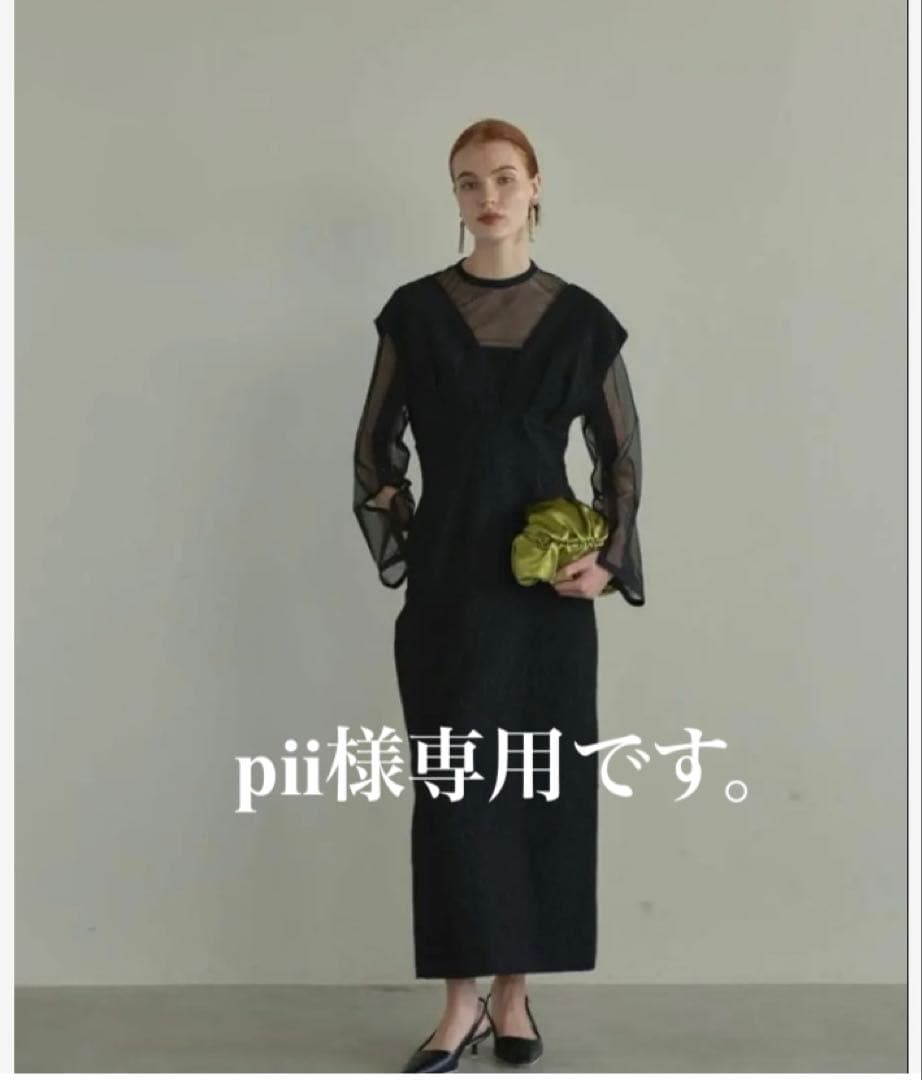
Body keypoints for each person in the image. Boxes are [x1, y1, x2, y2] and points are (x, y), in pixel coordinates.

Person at [352, 117, 645, 1073]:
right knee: (454, 791)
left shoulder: (582, 320)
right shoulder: (413, 313)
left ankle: (514, 996)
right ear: (454, 195)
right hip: (449, 592)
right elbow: (374, 446)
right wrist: (412, 528)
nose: (488, 196)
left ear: (535, 186)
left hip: (544, 594)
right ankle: (458, 1004)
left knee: (538, 785)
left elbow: (620, 452)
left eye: (505, 177)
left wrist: (607, 557)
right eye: (469, 180)